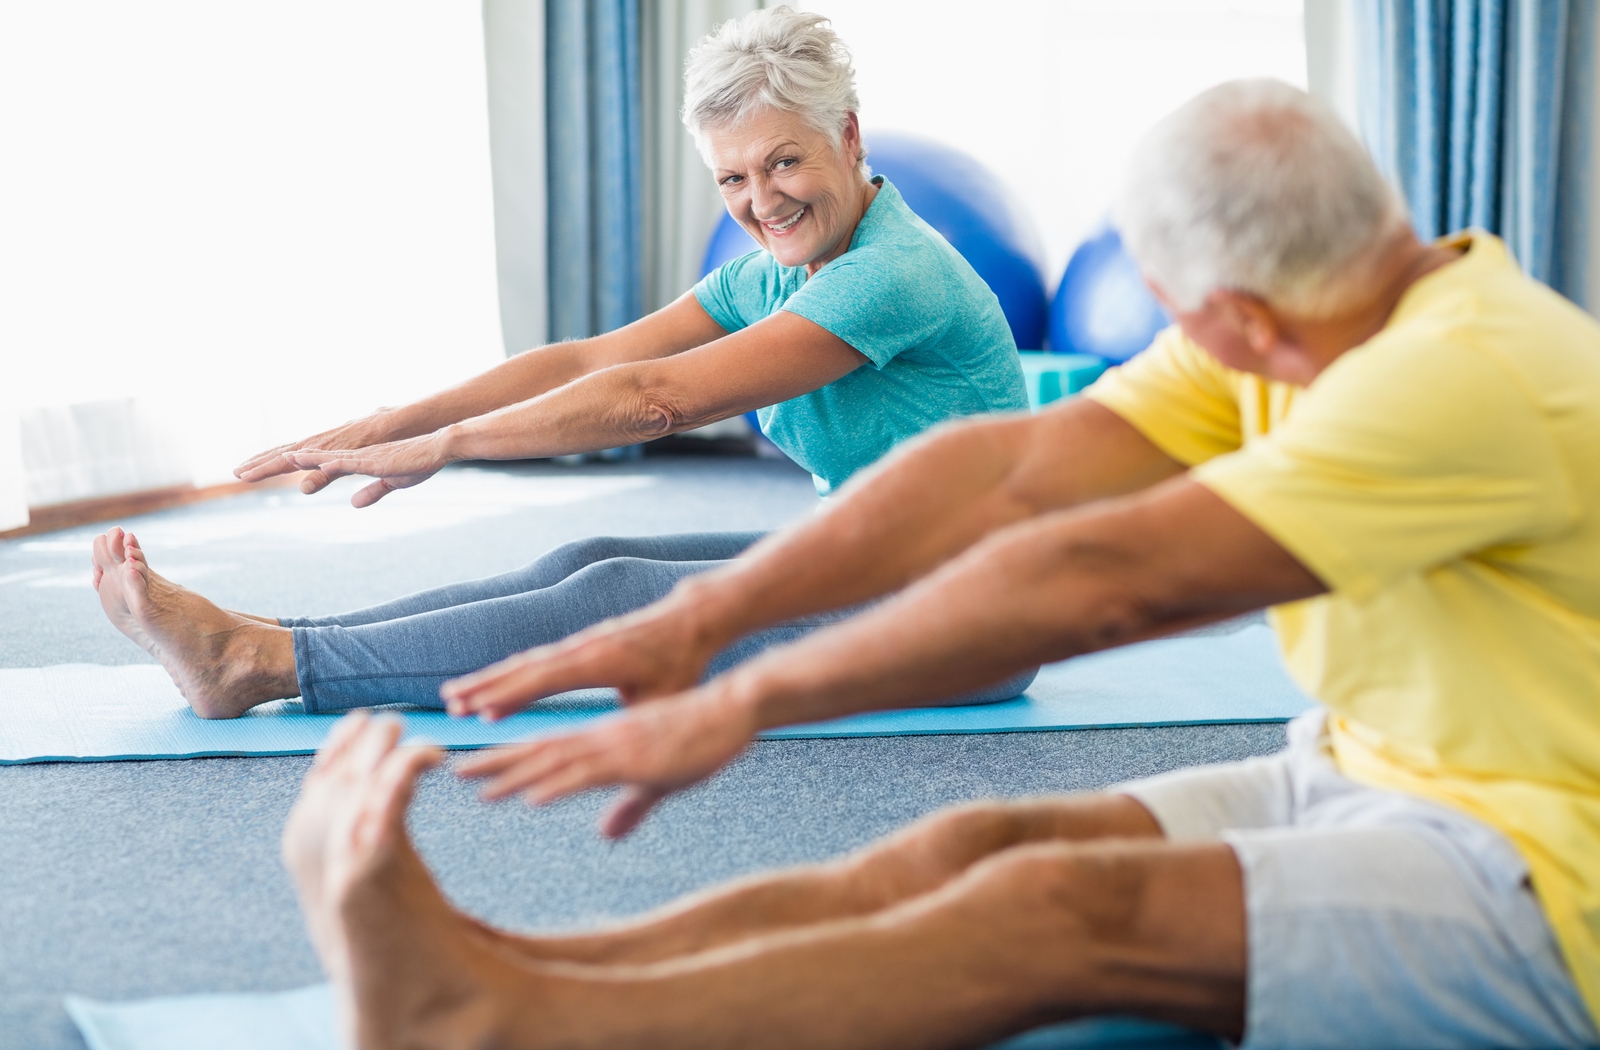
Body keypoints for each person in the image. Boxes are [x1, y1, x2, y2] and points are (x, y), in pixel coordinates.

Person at [287, 79, 1600, 1047]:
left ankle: (505, 1027)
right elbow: (1008, 469)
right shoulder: (1305, 309)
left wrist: (741, 693)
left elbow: (1102, 576)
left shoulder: (1461, 379)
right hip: (1372, 768)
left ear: (1236, 308)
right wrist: (714, 619)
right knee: (975, 838)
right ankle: (503, 966)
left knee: (1051, 907)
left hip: (1550, 881)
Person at [86, 7, 1032, 720]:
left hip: (967, 611)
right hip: (869, 560)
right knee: (590, 558)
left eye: (784, 163)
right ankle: (278, 644)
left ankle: (259, 667)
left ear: (849, 136)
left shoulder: (890, 275)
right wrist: (395, 421)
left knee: (618, 598)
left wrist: (451, 445)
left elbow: (654, 399)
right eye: (733, 178)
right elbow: (591, 356)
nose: (761, 201)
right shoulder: (778, 275)